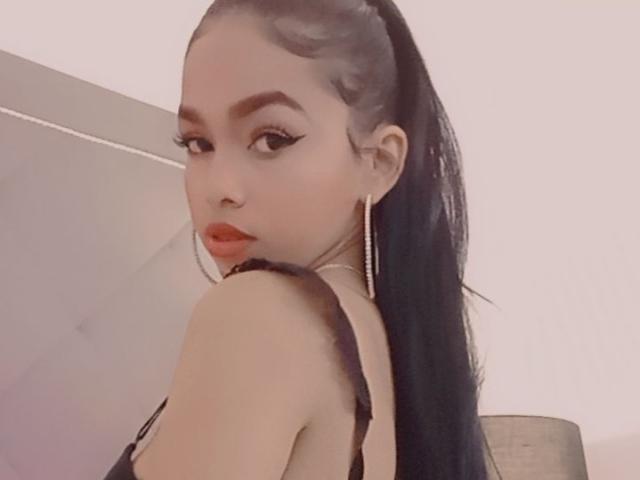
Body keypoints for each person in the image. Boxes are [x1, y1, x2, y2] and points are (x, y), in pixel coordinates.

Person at [103, 0, 489, 479]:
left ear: (379, 162)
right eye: (198, 143)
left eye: (272, 139)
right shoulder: (382, 346)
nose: (220, 188)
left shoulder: (260, 314)